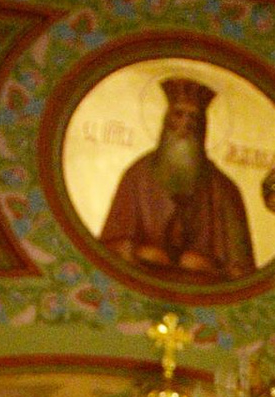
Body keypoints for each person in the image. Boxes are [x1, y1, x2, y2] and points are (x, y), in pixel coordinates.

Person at [98, 78, 257, 281]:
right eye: (179, 114)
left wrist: (208, 265)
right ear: (166, 121)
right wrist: (141, 252)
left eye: (194, 117)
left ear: (203, 126)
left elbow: (241, 268)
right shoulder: (137, 176)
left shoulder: (224, 189)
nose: (186, 124)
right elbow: (112, 247)